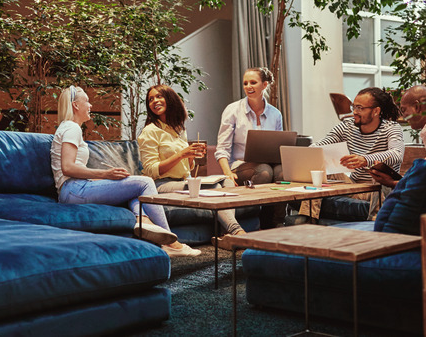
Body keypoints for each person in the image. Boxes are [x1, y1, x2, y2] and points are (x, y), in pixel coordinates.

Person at [51, 85, 200, 257]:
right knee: (145, 182)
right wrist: (105, 174)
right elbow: (68, 167)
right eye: (87, 101)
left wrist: (109, 178)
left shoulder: (69, 127)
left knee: (131, 186)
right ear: (76, 105)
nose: (90, 105)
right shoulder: (72, 128)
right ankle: (172, 243)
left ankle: (142, 219)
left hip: (76, 189)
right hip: (73, 191)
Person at [138, 84, 246, 248]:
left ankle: (225, 236)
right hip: (161, 184)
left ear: (170, 99)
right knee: (212, 187)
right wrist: (182, 153)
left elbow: (187, 168)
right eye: (151, 99)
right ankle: (237, 232)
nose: (155, 101)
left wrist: (191, 155)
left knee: (228, 182)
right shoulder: (150, 131)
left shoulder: (179, 129)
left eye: (159, 96)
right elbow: (151, 170)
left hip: (182, 180)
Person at [295, 87, 405, 222]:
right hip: (354, 185)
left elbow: (396, 154)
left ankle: (375, 223)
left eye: (360, 108)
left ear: (376, 111)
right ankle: (307, 219)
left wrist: (365, 160)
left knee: (379, 174)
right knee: (320, 164)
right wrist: (309, 152)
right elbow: (319, 145)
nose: (354, 112)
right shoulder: (347, 126)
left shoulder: (392, 128)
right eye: (354, 106)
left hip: (377, 187)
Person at [215, 68, 284, 187]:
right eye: (245, 83)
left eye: (253, 82)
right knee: (264, 171)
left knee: (282, 172)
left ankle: (273, 206)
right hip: (240, 166)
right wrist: (227, 174)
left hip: (269, 164)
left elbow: (279, 148)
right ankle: (253, 205)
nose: (248, 86)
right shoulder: (232, 110)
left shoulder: (276, 114)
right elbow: (222, 149)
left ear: (264, 85)